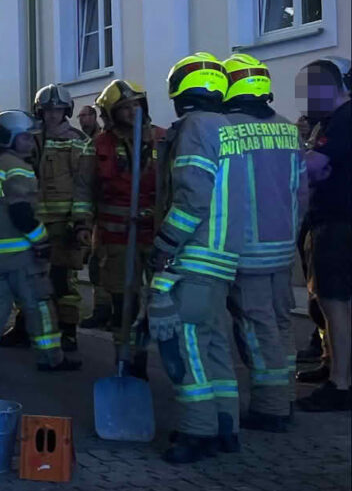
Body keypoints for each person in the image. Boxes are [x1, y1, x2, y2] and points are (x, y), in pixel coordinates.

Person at [150, 53, 250, 464]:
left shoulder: (193, 128)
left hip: (195, 256)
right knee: (214, 346)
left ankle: (197, 432)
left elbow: (192, 195)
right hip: (224, 257)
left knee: (185, 344)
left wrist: (166, 242)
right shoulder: (231, 127)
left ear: (179, 92)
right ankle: (226, 427)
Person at [219, 53, 305, 431]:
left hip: (247, 249)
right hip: (283, 246)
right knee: (281, 322)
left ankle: (270, 408)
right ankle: (285, 396)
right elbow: (302, 191)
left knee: (256, 327)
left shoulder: (226, 130)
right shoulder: (288, 128)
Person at [0, 111, 80, 375]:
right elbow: (21, 213)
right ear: (9, 139)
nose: (31, 143)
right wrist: (41, 240)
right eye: (26, 138)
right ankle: (51, 358)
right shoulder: (18, 168)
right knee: (38, 305)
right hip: (21, 256)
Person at [85, 80, 163, 378]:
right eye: (124, 108)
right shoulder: (98, 145)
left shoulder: (161, 139)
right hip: (115, 238)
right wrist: (83, 226)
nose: (132, 112)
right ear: (111, 114)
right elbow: (85, 189)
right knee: (122, 304)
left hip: (156, 237)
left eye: (136, 106)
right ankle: (126, 361)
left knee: (160, 303)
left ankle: (144, 352)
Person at [296, 56, 352, 412]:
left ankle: (341, 383)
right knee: (332, 303)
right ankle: (333, 364)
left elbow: (315, 167)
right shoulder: (334, 120)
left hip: (338, 223)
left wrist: (291, 158)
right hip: (334, 221)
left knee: (336, 304)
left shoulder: (344, 120)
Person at [31, 84, 95, 353]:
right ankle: (31, 328)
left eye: (57, 110)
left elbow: (84, 186)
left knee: (64, 281)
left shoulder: (77, 141)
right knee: (32, 277)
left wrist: (80, 222)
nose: (52, 115)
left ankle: (68, 332)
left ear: (66, 111)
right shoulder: (32, 138)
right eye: (47, 110)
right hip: (34, 223)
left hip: (63, 223)